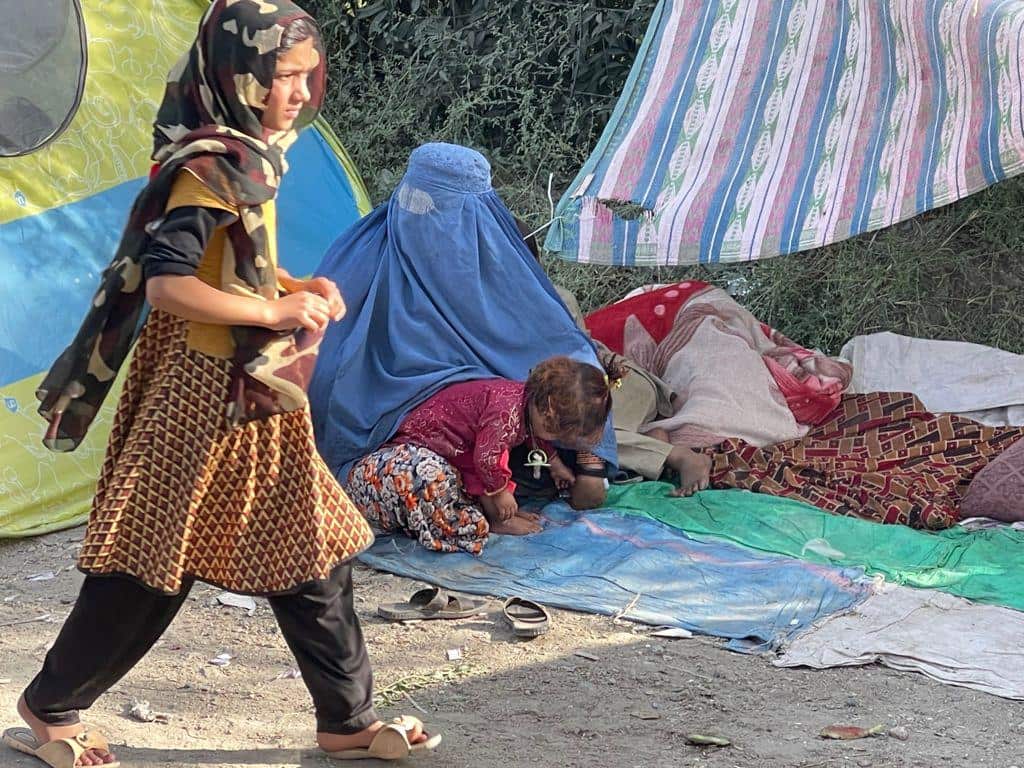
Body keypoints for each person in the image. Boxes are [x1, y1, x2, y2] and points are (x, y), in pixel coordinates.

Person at [3, 4, 437, 765]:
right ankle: (51, 707)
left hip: (253, 388)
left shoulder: (247, 154)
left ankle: (347, 720)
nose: (298, 93)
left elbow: (230, 265)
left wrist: (294, 286)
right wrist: (275, 310)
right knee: (152, 562)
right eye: (281, 76)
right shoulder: (209, 168)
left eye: (307, 76)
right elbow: (169, 285)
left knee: (312, 548)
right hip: (199, 393)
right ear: (239, 76)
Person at [309, 143, 618, 537]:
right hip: (386, 445)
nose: (426, 222)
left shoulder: (491, 264)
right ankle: (478, 510)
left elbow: (562, 354)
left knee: (577, 388)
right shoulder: (360, 261)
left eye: (447, 212)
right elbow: (324, 371)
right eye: (414, 203)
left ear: (477, 217)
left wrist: (590, 464)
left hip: (501, 441)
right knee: (424, 477)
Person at [347, 355, 624, 553]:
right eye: (558, 433)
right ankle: (495, 521)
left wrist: (554, 463)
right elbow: (487, 460)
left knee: (471, 484)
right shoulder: (505, 413)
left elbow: (533, 435)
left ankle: (495, 518)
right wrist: (501, 494)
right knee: (443, 481)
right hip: (401, 462)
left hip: (441, 460)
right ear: (549, 415)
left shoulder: (524, 404)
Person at [516, 221, 711, 496]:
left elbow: (575, 386)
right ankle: (647, 443)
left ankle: (678, 456)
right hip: (599, 397)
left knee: (572, 428)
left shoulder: (556, 301)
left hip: (618, 388)